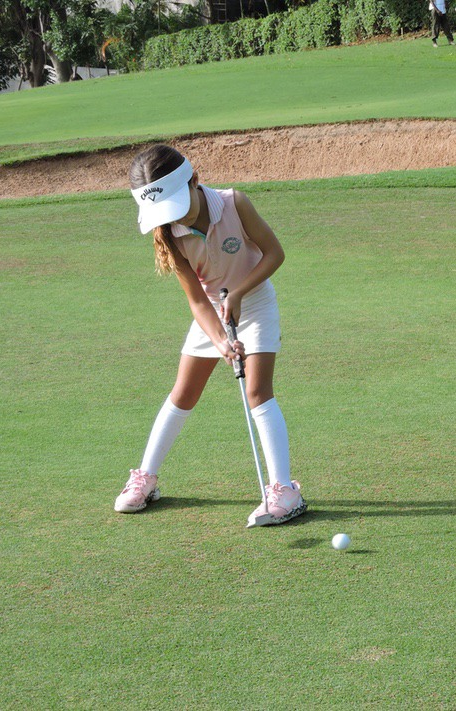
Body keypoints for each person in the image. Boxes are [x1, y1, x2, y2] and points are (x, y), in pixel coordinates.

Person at [116, 144, 306, 528]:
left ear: (195, 180)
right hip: (212, 313)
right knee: (183, 391)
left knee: (257, 391)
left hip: (255, 303)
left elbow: (274, 253)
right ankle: (146, 478)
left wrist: (238, 294)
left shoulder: (235, 204)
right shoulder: (169, 233)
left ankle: (285, 491)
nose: (173, 217)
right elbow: (197, 301)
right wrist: (221, 341)